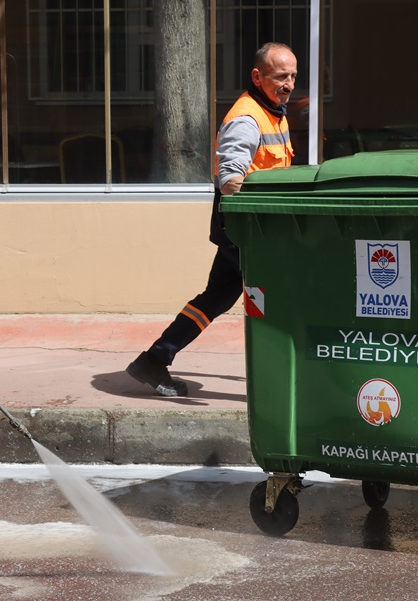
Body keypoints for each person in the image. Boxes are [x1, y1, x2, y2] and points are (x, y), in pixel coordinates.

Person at [127, 42, 297, 396]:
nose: (289, 84)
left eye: (293, 76)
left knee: (217, 297)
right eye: (282, 76)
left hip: (255, 228)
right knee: (277, 297)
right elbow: (231, 180)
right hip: (248, 229)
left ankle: (154, 359)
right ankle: (279, 378)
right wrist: (256, 223)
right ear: (258, 77)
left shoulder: (274, 112)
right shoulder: (247, 118)